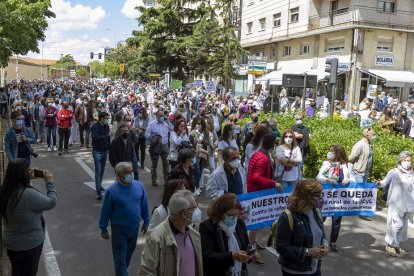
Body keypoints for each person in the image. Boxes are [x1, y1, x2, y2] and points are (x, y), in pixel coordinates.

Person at [0, 159, 57, 276]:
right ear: (23, 174)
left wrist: (26, 179)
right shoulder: (27, 194)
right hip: (28, 244)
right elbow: (51, 203)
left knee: (17, 271)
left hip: (11, 242)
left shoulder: (4, 191)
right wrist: (49, 183)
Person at [99, 162, 150, 276]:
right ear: (118, 174)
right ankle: (122, 272)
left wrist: (147, 222)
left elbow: (144, 205)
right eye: (127, 172)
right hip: (119, 230)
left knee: (128, 254)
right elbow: (105, 211)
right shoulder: (111, 191)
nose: (130, 174)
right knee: (120, 257)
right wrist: (103, 228)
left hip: (134, 228)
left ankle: (122, 271)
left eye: (131, 171)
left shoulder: (139, 186)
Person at [139, 190, 203, 276]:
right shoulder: (156, 238)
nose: (197, 211)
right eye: (195, 208)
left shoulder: (194, 235)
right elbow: (146, 272)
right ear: (184, 214)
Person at [276, 179, 328, 276]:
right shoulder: (287, 216)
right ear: (306, 197)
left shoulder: (316, 212)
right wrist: (307, 252)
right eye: (317, 195)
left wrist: (325, 245)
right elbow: (281, 247)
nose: (320, 198)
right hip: (295, 271)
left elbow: (321, 234)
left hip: (315, 269)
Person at [247, 134, 283, 264]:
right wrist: (274, 184)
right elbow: (256, 177)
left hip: (255, 193)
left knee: (259, 222)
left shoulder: (258, 154)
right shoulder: (262, 158)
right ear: (272, 146)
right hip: (258, 195)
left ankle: (254, 244)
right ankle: (252, 250)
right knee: (256, 224)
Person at [199, 193, 252, 276]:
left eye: (236, 215)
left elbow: (246, 244)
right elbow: (207, 255)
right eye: (231, 215)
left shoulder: (239, 223)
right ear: (220, 212)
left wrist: (249, 254)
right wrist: (232, 256)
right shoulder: (207, 227)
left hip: (239, 271)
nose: (234, 218)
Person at [376, 151, 414, 257]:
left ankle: (394, 245)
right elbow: (384, 183)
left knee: (403, 226)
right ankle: (392, 245)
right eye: (404, 160)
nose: (407, 162)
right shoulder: (394, 172)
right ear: (400, 161)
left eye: (409, 160)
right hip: (396, 203)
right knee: (397, 224)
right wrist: (378, 183)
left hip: (409, 204)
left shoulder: (413, 173)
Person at [316, 144, 353, 252]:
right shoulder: (326, 163)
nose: (330, 153)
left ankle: (333, 242)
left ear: (338, 153)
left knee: (336, 221)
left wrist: (348, 180)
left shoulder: (346, 165)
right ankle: (318, 239)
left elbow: (352, 178)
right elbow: (319, 177)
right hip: (325, 196)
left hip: (338, 198)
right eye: (330, 151)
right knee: (320, 218)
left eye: (332, 151)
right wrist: (327, 180)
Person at [145, 109, 173, 186]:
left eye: (163, 116)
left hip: (165, 145)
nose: (162, 117)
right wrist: (153, 139)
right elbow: (146, 134)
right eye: (160, 116)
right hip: (155, 146)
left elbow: (173, 129)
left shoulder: (166, 123)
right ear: (156, 116)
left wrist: (168, 122)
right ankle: (154, 180)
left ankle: (166, 179)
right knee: (154, 164)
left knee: (166, 163)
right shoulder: (152, 124)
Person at [90, 112, 111, 200]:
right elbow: (96, 138)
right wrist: (107, 136)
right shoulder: (94, 127)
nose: (107, 120)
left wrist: (109, 149)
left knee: (102, 171)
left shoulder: (106, 126)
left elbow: (108, 138)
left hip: (104, 150)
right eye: (106, 118)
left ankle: (99, 185)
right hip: (97, 151)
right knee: (98, 171)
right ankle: (98, 192)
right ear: (101, 118)